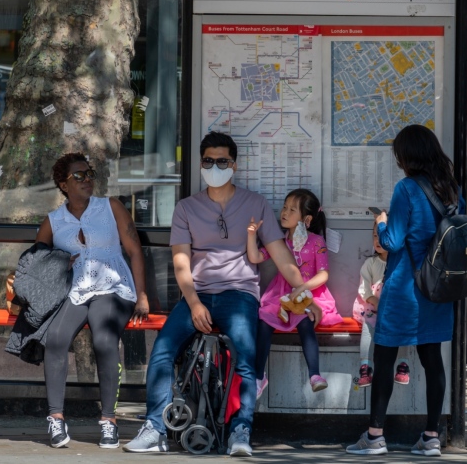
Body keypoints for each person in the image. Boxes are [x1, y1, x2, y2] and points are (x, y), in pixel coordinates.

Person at [123, 132, 321, 457]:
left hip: (239, 294)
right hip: (197, 294)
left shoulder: (255, 204)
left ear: (234, 164)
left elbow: (282, 256)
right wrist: (194, 302)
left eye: (222, 161)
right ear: (201, 163)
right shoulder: (186, 208)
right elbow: (181, 262)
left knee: (247, 358)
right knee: (161, 351)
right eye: (208, 161)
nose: (215, 166)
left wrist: (304, 295)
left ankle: (240, 430)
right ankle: (155, 429)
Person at [345, 125, 455, 457]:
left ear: (408, 156)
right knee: (432, 360)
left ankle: (375, 436)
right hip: (436, 288)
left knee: (384, 356)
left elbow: (391, 242)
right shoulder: (450, 189)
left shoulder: (405, 188)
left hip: (405, 288)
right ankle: (432, 437)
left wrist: (381, 220)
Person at [34, 152, 150, 449]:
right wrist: (60, 260)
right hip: (76, 289)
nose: (87, 180)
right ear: (63, 184)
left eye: (90, 174)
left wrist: (142, 295)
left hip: (113, 286)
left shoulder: (110, 207)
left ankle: (109, 421)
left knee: (104, 339)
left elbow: (135, 250)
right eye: (79, 175)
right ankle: (56, 418)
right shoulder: (54, 221)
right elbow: (36, 261)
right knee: (56, 338)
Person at [247, 188, 342, 397]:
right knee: (264, 321)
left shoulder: (317, 241)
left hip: (311, 294)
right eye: (284, 207)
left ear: (306, 219)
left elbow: (323, 274)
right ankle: (258, 376)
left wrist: (302, 288)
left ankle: (315, 374)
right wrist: (251, 235)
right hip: (281, 295)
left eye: (292, 210)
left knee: (305, 320)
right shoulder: (279, 241)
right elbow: (255, 258)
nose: (284, 212)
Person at [354, 224, 411, 388]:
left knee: (404, 328)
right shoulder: (370, 263)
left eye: (381, 236)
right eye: (374, 236)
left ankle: (402, 365)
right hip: (374, 309)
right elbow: (363, 288)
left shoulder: (401, 263)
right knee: (367, 331)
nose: (377, 240)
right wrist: (375, 301)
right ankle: (365, 367)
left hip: (395, 310)